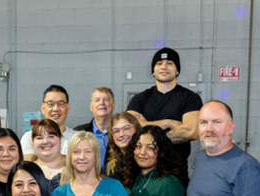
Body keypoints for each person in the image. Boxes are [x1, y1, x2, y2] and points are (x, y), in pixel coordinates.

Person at [126, 47, 202, 177]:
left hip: (175, 172)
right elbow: (131, 128)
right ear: (153, 72)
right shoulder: (139, 99)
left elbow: (191, 131)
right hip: (142, 172)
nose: (164, 66)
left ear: (177, 70)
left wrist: (147, 130)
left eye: (170, 63)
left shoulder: (190, 98)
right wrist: (168, 123)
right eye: (159, 63)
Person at [21, 85, 74, 160]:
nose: (55, 109)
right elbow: (30, 168)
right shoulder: (29, 137)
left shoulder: (77, 138)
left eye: (61, 104)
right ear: (43, 108)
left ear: (68, 108)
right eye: (50, 104)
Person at [73, 87, 116, 169]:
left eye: (106, 99)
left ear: (113, 105)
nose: (102, 103)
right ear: (91, 107)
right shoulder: (78, 132)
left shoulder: (121, 134)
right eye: (97, 100)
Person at [31, 119, 66, 193]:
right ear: (33, 141)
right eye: (39, 138)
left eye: (51, 136)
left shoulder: (74, 166)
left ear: (60, 139)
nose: (45, 141)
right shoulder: (28, 170)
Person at [105, 112, 141, 179]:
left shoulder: (143, 160)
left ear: (136, 128)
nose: (121, 134)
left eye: (126, 128)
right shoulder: (111, 166)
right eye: (116, 131)